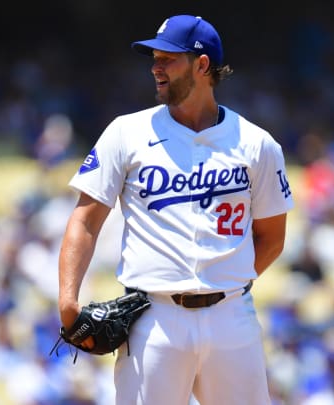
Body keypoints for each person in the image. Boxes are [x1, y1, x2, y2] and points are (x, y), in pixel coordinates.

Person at [57, 14, 294, 404]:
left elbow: (272, 237)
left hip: (231, 318)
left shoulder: (257, 145)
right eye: (154, 58)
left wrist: (225, 282)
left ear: (202, 66)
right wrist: (68, 299)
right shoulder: (127, 132)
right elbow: (84, 220)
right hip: (154, 319)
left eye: (168, 58)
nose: (155, 67)